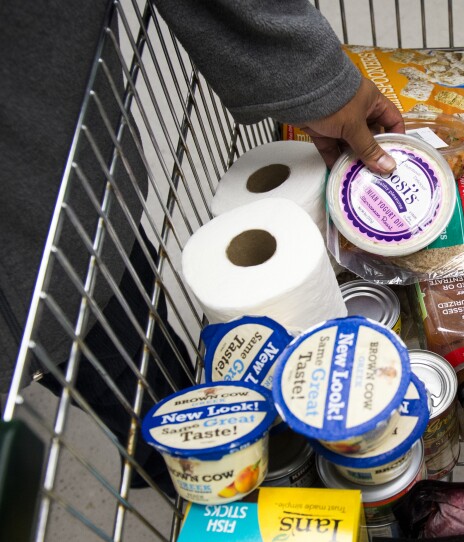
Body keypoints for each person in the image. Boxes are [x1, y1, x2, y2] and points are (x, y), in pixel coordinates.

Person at [0, 0, 404, 496]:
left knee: (140, 370)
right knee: (138, 396)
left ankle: (202, 474)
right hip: (64, 214)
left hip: (71, 220)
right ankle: (205, 482)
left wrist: (315, 80)